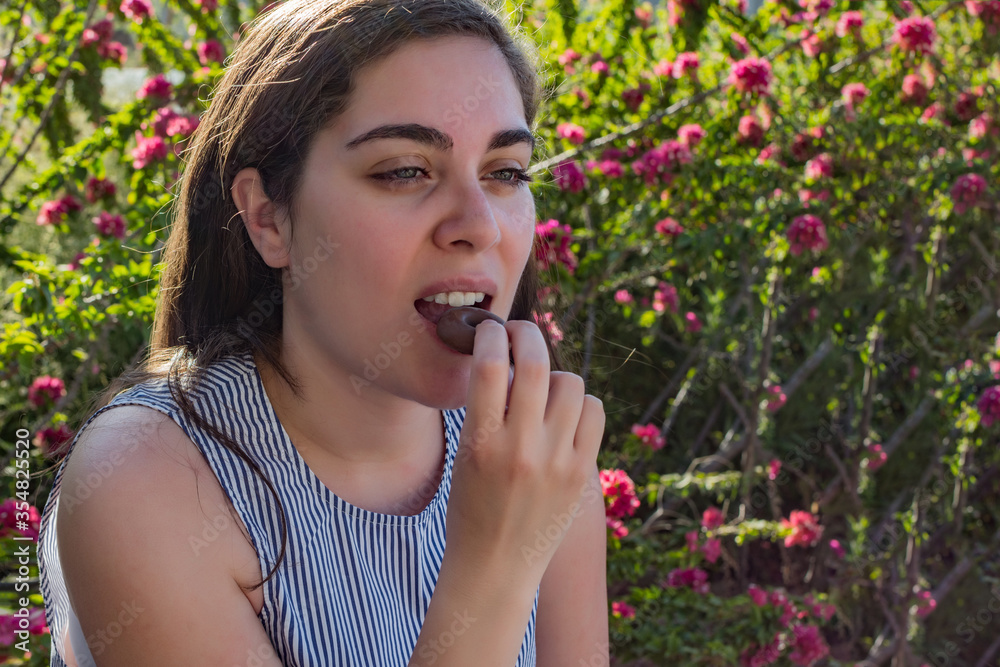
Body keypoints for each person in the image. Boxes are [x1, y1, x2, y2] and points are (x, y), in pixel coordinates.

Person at [36, 0, 609, 665]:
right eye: (404, 171)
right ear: (269, 218)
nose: (478, 224)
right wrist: (497, 566)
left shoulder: (538, 452)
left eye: (505, 172)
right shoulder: (144, 484)